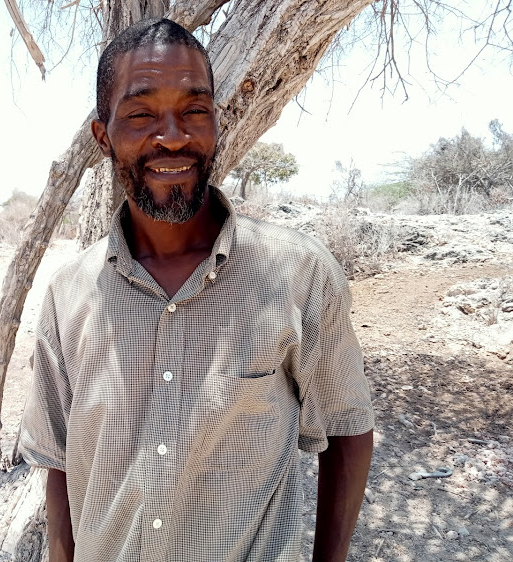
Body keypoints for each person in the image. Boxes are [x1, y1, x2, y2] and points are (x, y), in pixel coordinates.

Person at [18, 18, 374, 562]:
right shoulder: (69, 296)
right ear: (102, 136)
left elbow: (348, 429)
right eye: (140, 114)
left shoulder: (298, 274)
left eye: (194, 109)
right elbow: (59, 468)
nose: (173, 135)